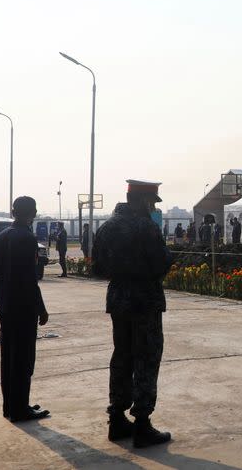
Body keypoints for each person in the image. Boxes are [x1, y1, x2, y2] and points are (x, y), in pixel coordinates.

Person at [92, 179, 174, 448]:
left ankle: (117, 418)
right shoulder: (145, 226)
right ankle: (141, 424)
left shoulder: (106, 227)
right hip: (144, 300)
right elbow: (162, 262)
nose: (152, 207)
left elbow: (97, 268)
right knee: (147, 358)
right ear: (140, 200)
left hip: (118, 300)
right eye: (151, 202)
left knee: (122, 356)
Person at [0, 196, 51, 422]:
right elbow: (29, 279)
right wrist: (41, 308)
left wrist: (1, 304)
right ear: (33, 213)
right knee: (24, 359)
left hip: (6, 307)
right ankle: (20, 409)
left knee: (8, 358)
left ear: (12, 211)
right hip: (23, 307)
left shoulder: (0, 238)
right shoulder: (27, 238)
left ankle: (11, 406)